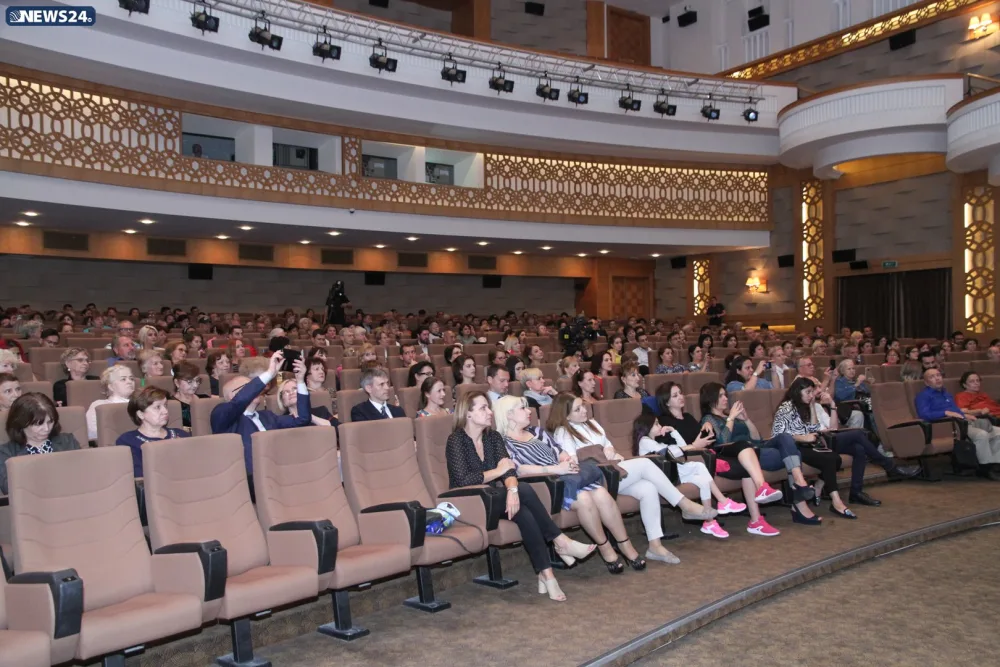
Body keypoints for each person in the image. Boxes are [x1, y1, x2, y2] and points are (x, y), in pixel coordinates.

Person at [446, 392, 596, 601]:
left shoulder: (493, 437)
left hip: (493, 498)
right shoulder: (456, 440)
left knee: (525, 514)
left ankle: (547, 575)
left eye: (489, 407)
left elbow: (509, 471)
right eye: (483, 408)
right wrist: (500, 474)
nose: (489, 412)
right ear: (468, 414)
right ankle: (560, 540)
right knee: (524, 489)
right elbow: (464, 480)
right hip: (467, 502)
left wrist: (512, 490)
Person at [549, 393, 716, 563]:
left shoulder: (592, 423)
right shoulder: (563, 432)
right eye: (578, 409)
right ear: (566, 415)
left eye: (583, 406)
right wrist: (602, 454)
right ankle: (684, 505)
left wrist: (609, 451)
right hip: (595, 480)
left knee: (648, 488)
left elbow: (609, 446)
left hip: (613, 471)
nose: (584, 410)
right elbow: (573, 464)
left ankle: (655, 546)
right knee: (645, 463)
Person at [497, 395, 659, 567]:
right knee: (584, 499)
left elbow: (560, 451)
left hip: (567, 476)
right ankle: (605, 548)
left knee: (602, 494)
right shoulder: (503, 442)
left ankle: (625, 544)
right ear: (509, 414)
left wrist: (567, 461)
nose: (529, 411)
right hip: (545, 485)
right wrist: (556, 469)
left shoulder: (537, 432)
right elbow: (519, 469)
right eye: (523, 408)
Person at [686, 383, 782, 535]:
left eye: (725, 395)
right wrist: (730, 418)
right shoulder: (708, 419)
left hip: (746, 455)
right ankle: (762, 487)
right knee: (743, 445)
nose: (725, 398)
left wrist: (746, 419)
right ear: (710, 400)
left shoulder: (734, 417)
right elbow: (722, 441)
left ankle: (756, 521)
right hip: (725, 456)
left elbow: (757, 439)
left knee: (747, 462)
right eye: (721, 396)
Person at [632, 410, 744, 539]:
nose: (660, 426)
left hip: (673, 472)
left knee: (703, 480)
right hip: (664, 477)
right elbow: (669, 453)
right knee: (699, 466)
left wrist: (674, 431)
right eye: (656, 424)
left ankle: (709, 522)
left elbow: (682, 448)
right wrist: (693, 445)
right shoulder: (645, 441)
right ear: (647, 427)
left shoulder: (656, 443)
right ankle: (722, 501)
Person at [210, 351, 311, 473]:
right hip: (249, 478)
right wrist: (269, 373)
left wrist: (300, 381)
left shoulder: (268, 416)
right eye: (249, 387)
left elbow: (303, 419)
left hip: (281, 472)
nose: (257, 390)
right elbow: (239, 402)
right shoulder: (223, 416)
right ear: (233, 395)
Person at [915, 368, 1000, 479]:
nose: (937, 378)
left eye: (938, 375)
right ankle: (985, 467)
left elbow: (956, 411)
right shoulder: (923, 396)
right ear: (926, 382)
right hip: (948, 426)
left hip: (963, 422)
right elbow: (924, 414)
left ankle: (995, 464)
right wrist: (945, 412)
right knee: (981, 435)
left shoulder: (947, 394)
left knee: (998, 432)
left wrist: (965, 415)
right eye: (932, 377)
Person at [0, 392, 81, 494]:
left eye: (50, 422)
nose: (46, 429)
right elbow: (9, 488)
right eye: (38, 424)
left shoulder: (68, 441)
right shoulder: (6, 453)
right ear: (21, 423)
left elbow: (82, 475)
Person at [115, 387, 189, 477]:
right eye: (157, 407)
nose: (165, 411)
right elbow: (139, 476)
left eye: (165, 405)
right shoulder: (127, 441)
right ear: (141, 414)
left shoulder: (181, 434)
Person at [86, 364, 137, 441]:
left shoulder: (139, 404)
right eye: (123, 379)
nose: (129, 382)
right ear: (111, 387)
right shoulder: (99, 405)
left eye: (131, 379)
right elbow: (93, 434)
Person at [171, 361, 209, 428]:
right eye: (190, 381)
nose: (195, 385)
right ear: (177, 382)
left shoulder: (205, 399)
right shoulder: (171, 405)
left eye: (197, 380)